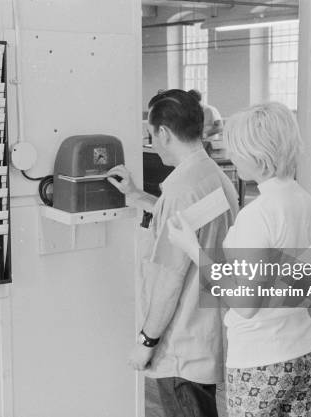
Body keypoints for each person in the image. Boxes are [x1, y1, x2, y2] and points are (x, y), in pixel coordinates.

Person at [168, 102, 311, 417]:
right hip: (305, 353)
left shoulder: (260, 214)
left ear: (258, 155)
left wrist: (193, 250)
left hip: (262, 361)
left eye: (237, 149)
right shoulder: (309, 204)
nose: (231, 155)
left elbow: (245, 304)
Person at [107, 89, 239, 417]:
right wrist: (138, 197)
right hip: (205, 336)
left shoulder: (181, 190)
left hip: (181, 348)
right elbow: (192, 224)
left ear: (163, 133)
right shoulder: (212, 176)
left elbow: (170, 278)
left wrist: (146, 342)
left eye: (150, 134)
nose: (151, 141)